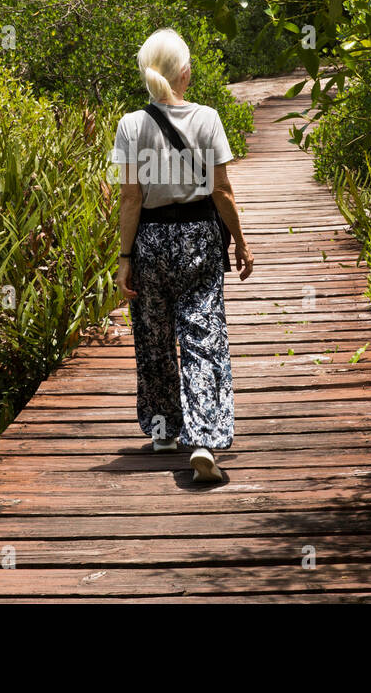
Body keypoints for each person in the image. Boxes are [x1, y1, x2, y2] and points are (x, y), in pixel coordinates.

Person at [112, 27, 254, 483]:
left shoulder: (131, 125)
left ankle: (163, 431)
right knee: (202, 334)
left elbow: (130, 197)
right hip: (198, 237)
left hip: (151, 240)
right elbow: (223, 191)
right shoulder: (208, 118)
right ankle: (205, 437)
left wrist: (124, 257)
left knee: (153, 336)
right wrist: (243, 242)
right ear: (185, 72)